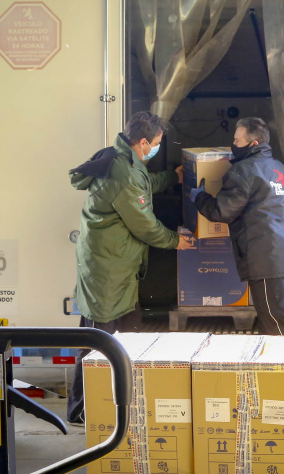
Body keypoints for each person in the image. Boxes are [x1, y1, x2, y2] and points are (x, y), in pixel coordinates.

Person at [189, 117, 284, 423]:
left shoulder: (243, 171)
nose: (234, 143)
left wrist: (198, 196)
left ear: (253, 143)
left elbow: (221, 212)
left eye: (238, 140)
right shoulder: (278, 169)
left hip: (265, 259)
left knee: (280, 326)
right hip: (282, 256)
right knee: (275, 324)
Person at [66, 111, 192, 424]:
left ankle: (122, 397)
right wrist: (176, 241)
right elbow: (145, 226)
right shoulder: (123, 171)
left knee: (129, 329)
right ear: (143, 142)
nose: (157, 149)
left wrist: (171, 178)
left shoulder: (124, 160)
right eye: (157, 144)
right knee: (98, 339)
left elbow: (143, 183)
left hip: (117, 264)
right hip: (107, 268)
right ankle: (80, 408)